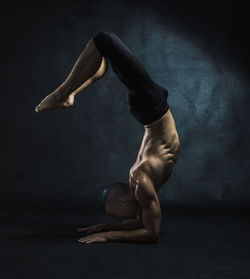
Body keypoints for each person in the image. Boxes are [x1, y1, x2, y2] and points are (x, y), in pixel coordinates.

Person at [35, 31, 180, 244]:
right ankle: (72, 94)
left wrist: (107, 235)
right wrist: (104, 227)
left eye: (116, 216)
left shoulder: (140, 182)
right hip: (151, 110)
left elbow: (150, 233)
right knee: (105, 56)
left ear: (123, 201)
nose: (124, 219)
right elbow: (144, 226)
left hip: (152, 106)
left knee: (104, 41)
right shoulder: (140, 185)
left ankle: (62, 94)